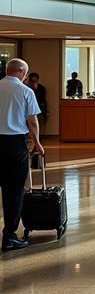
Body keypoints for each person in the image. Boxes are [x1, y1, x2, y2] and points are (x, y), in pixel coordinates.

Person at [0, 58, 44, 251]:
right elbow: (32, 121)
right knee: (14, 190)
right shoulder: (26, 91)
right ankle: (9, 236)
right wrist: (37, 143)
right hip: (15, 143)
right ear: (21, 72)